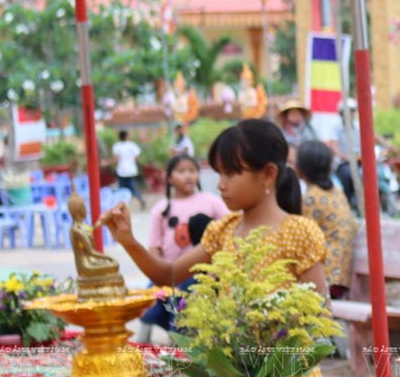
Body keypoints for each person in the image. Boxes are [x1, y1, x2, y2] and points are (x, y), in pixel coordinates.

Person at [101, 119, 327, 295]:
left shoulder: (299, 233)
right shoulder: (223, 231)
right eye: (219, 173)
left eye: (230, 173)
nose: (220, 184)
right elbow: (169, 275)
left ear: (268, 174)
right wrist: (127, 240)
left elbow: (318, 316)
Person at [138, 154, 229, 336]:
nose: (188, 176)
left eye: (192, 171)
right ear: (169, 178)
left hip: (201, 274)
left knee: (183, 310)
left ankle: (180, 341)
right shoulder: (161, 209)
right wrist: (158, 276)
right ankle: (145, 342)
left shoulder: (211, 202)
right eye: (181, 171)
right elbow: (154, 246)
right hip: (169, 273)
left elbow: (229, 230)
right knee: (150, 302)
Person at [294, 140, 358, 300]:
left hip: (325, 278)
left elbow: (302, 240)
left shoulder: (310, 198)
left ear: (301, 169)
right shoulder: (336, 192)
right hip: (342, 275)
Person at [112, 130, 145, 210]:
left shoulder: (117, 146)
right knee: (133, 188)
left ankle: (121, 207)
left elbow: (116, 159)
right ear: (127, 136)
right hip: (131, 171)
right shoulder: (132, 145)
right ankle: (141, 200)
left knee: (121, 190)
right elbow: (137, 157)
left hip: (121, 171)